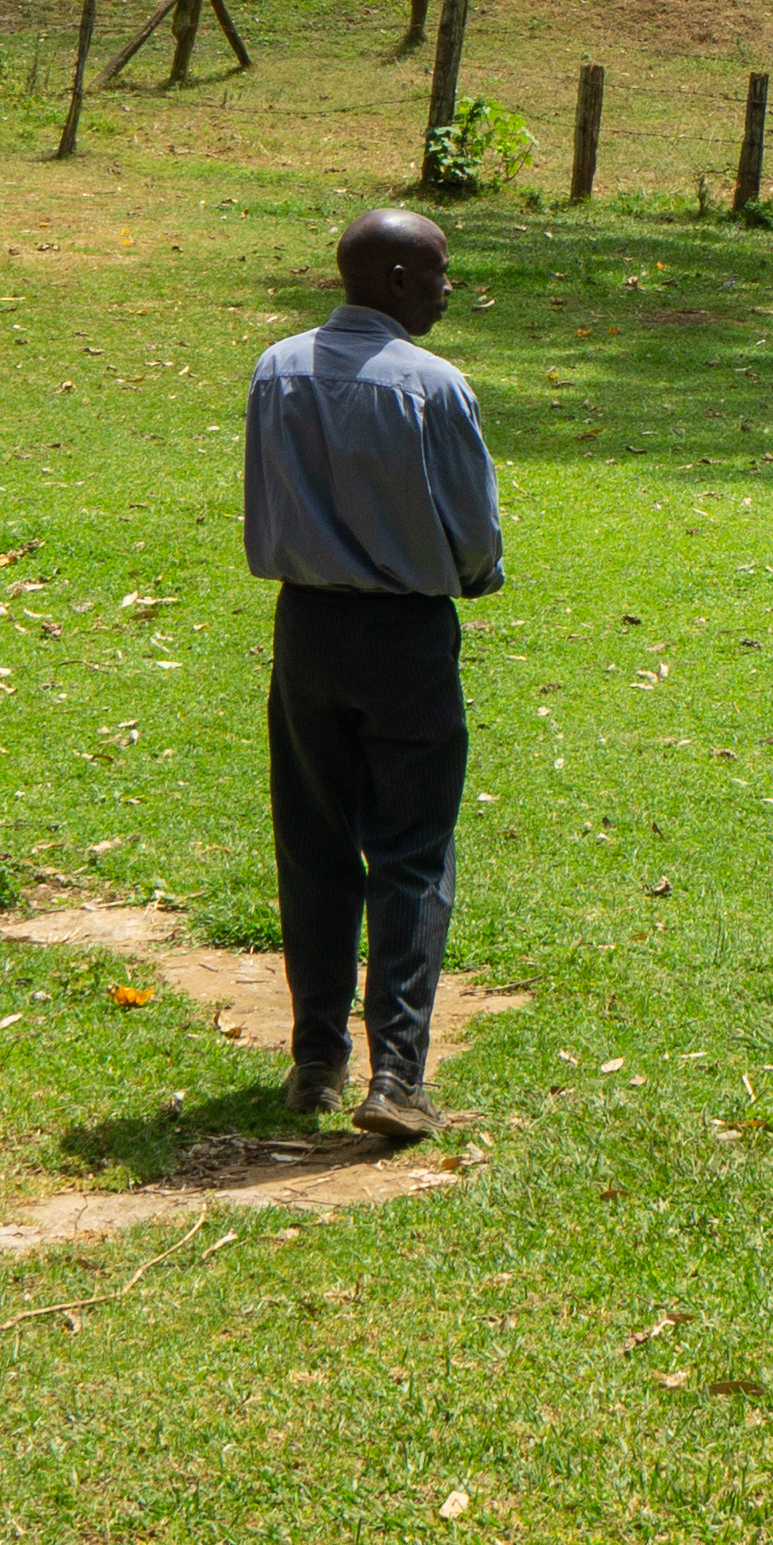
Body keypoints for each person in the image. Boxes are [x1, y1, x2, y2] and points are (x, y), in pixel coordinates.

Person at [239, 205, 500, 1144]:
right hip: (406, 638)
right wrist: (470, 579)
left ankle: (316, 1060)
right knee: (412, 850)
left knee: (312, 842)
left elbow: (264, 500)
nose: (446, 287)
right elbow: (474, 532)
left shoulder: (278, 369)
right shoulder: (433, 386)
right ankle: (397, 1072)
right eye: (436, 273)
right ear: (394, 282)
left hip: (305, 628)